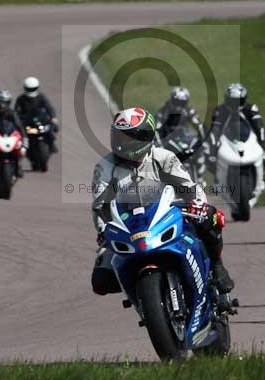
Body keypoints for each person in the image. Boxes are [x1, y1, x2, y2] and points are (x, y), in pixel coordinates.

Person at [91, 107, 234, 296]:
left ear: (145, 137)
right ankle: (141, 296)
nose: (122, 144)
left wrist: (198, 205)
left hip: (169, 212)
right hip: (130, 224)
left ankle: (216, 266)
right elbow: (100, 206)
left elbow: (188, 187)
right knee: (101, 282)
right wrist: (104, 229)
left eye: (129, 138)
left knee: (210, 216)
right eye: (119, 137)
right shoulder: (105, 166)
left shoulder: (164, 157)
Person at [206, 83, 265, 170]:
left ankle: (263, 155)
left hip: (248, 138)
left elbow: (259, 127)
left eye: (238, 101)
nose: (235, 104)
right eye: (232, 101)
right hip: (226, 140)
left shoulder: (251, 109)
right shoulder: (220, 110)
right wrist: (212, 152)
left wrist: (263, 147)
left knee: (263, 133)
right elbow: (215, 130)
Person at [14, 76, 58, 154]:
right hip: (27, 121)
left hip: (41, 119)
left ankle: (52, 145)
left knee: (51, 129)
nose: (31, 91)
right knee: (19, 134)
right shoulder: (21, 99)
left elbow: (49, 107)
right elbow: (16, 111)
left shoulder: (41, 97)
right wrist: (16, 120)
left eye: (33, 89)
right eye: (29, 89)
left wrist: (53, 117)